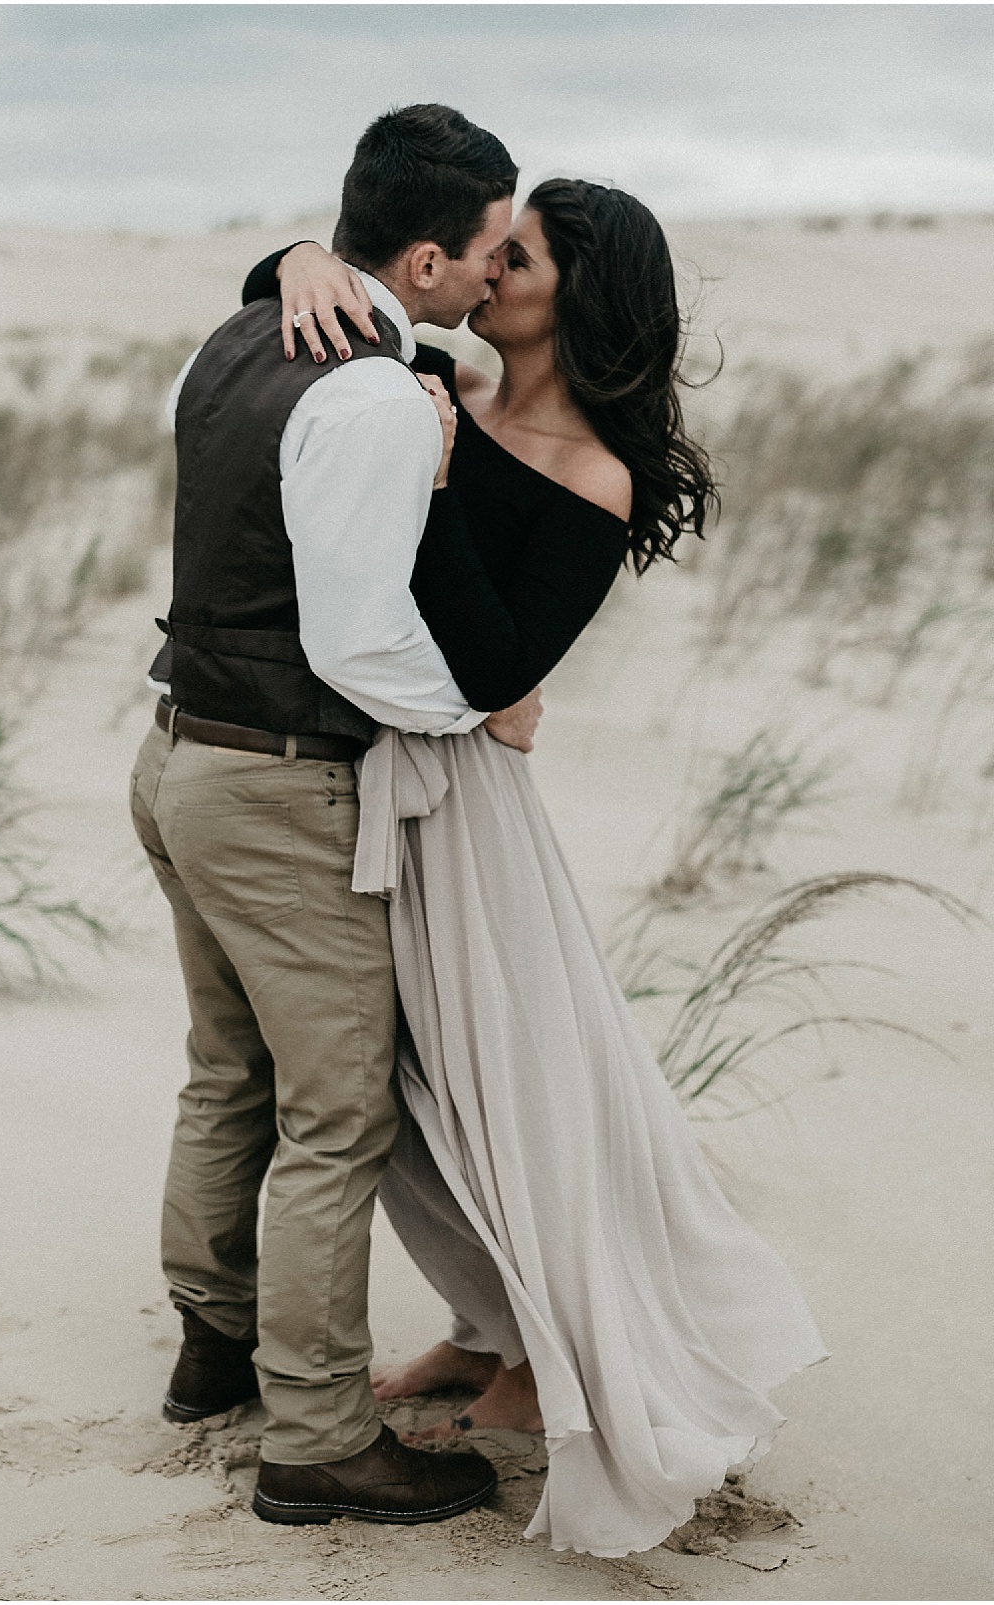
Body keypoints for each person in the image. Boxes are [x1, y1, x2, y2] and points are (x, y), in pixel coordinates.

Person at [237, 177, 831, 1558]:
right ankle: (484, 1324)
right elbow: (326, 300)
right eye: (497, 243)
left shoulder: (594, 472)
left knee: (498, 1094)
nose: (490, 265)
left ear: (582, 295)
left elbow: (501, 665)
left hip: (468, 820)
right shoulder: (431, 372)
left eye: (525, 253)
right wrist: (299, 253)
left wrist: (441, 492)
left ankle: (535, 1356)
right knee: (385, 1080)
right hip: (385, 782)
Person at [126, 103, 539, 1529]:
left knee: (227, 1065)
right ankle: (311, 1434)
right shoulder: (364, 394)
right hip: (275, 781)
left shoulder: (236, 338)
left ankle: (211, 1343)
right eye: (489, 249)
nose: (497, 274)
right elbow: (361, 644)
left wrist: (305, 263)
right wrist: (478, 709)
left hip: (176, 752)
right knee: (337, 1108)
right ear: (425, 257)